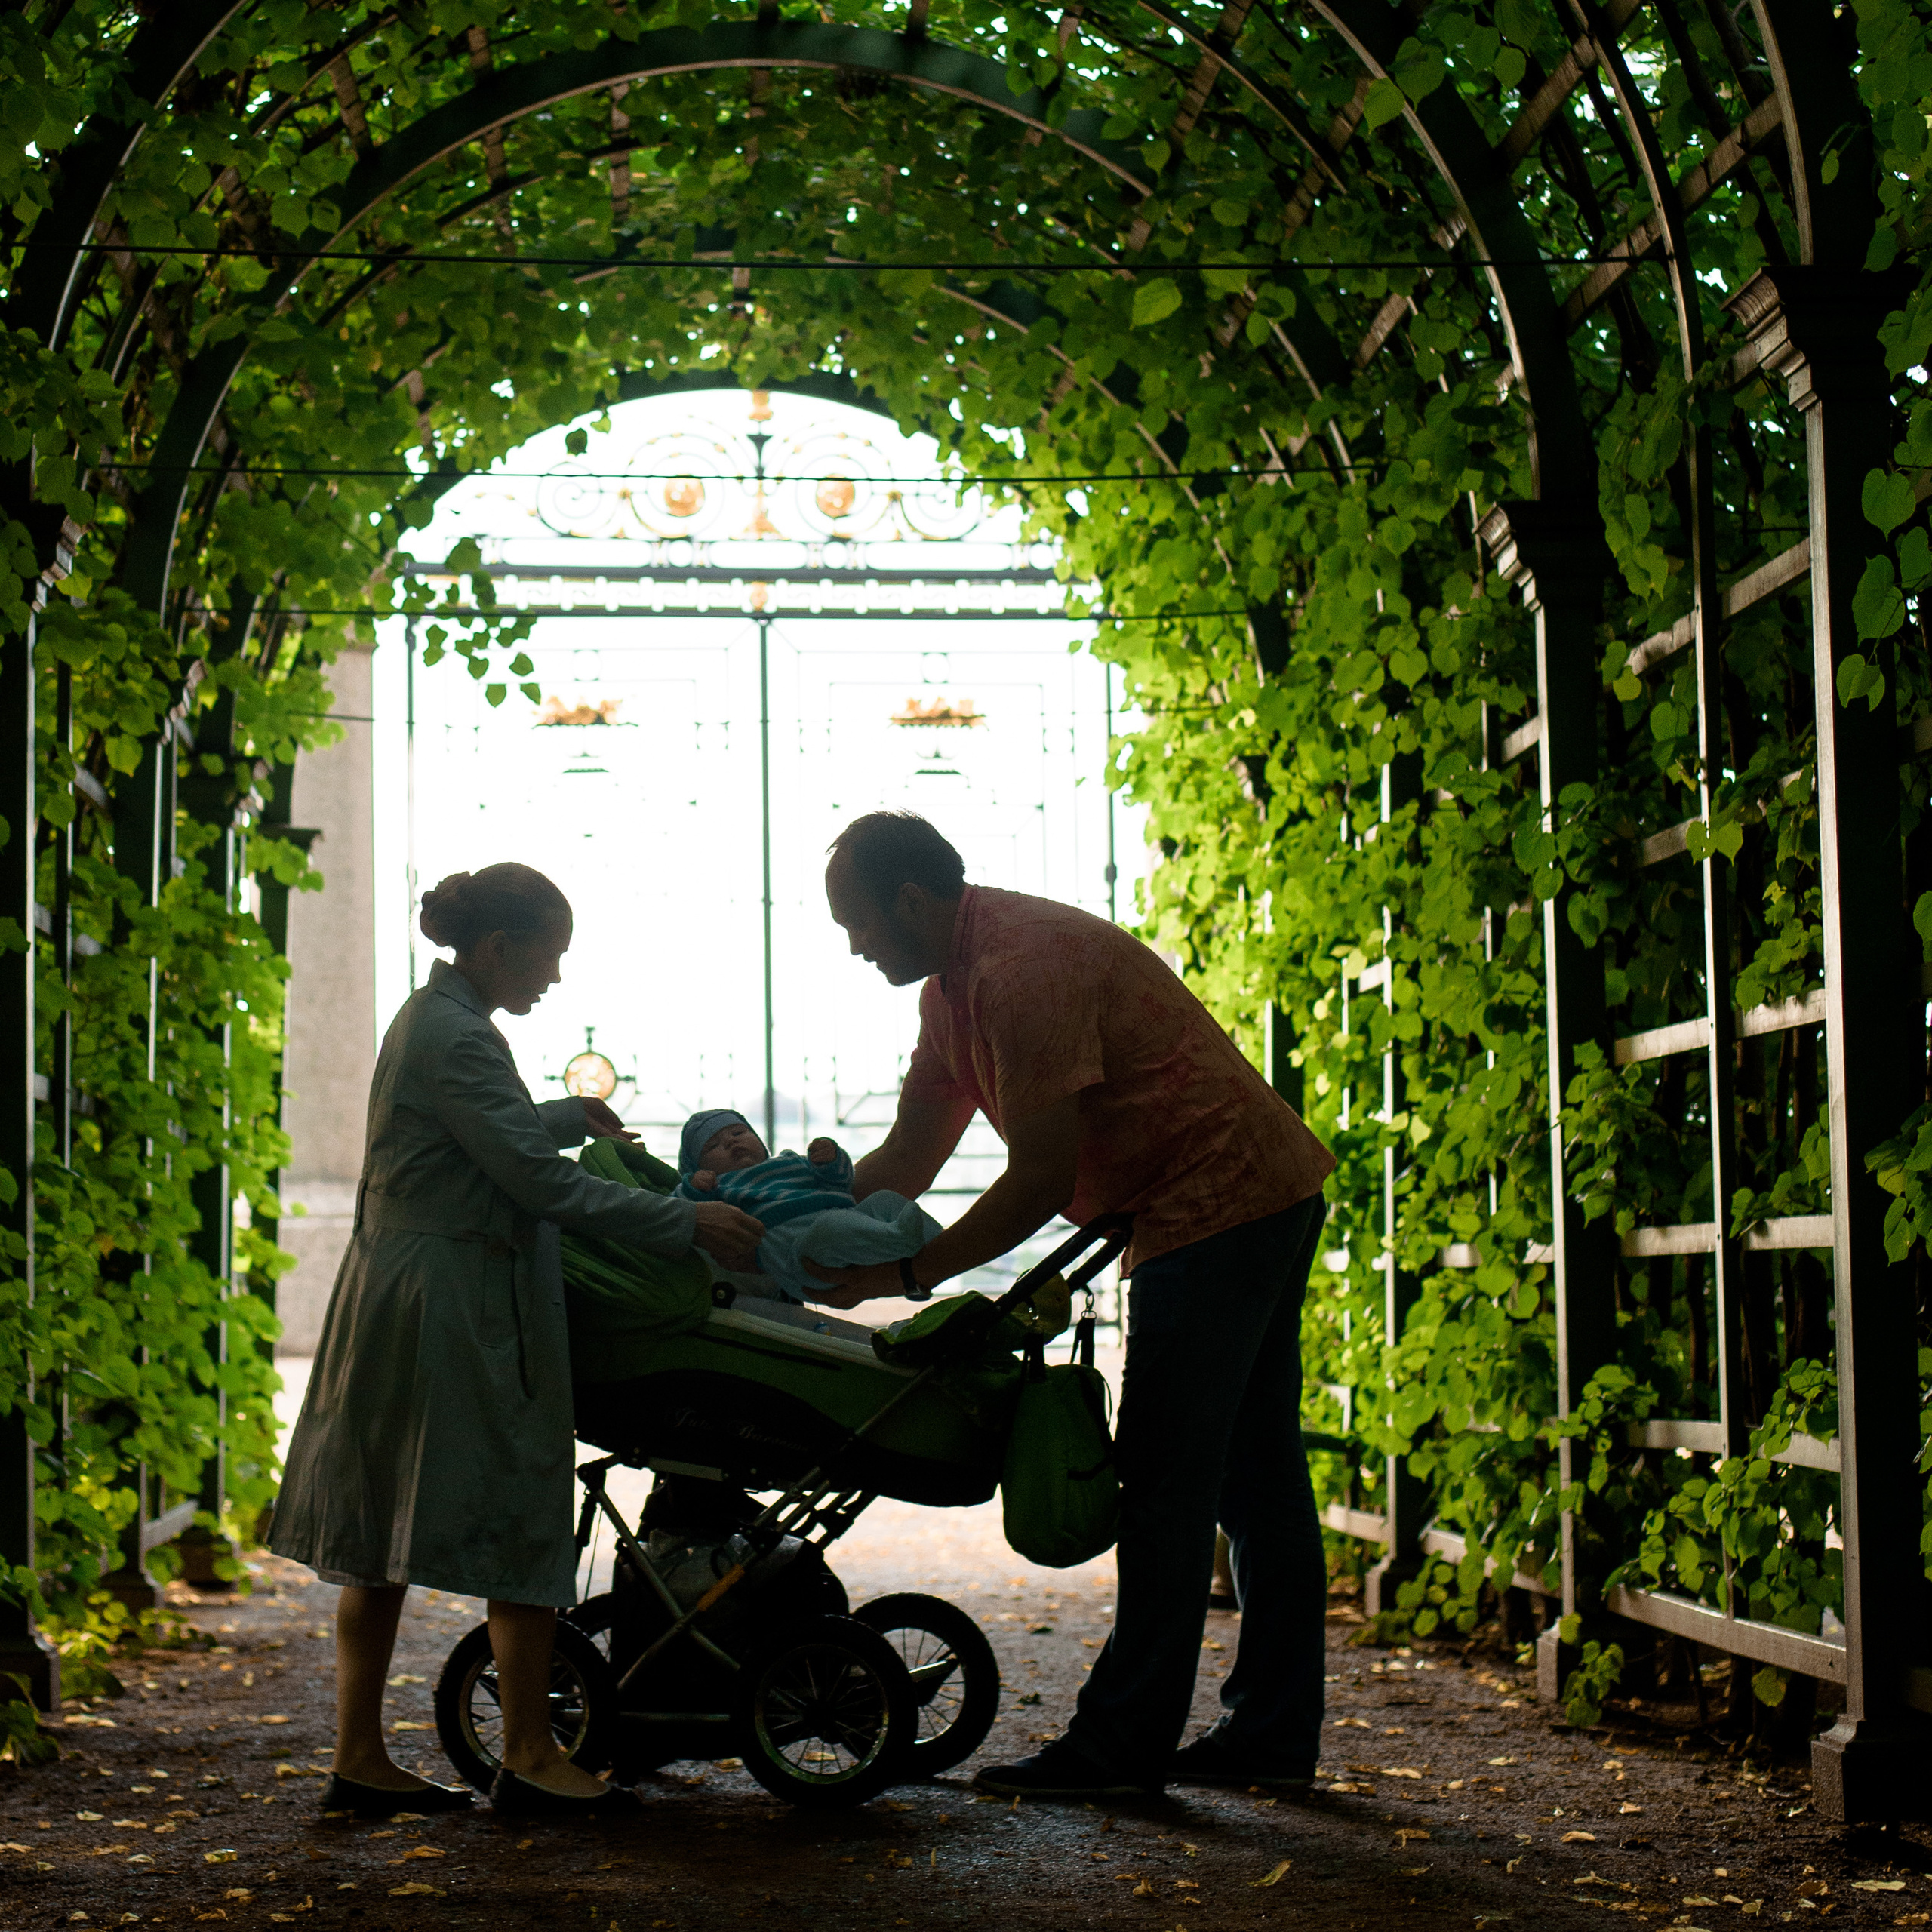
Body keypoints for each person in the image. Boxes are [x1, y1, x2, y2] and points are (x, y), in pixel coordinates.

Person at [811, 811, 1335, 1799]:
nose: (856, 945)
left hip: (1216, 1201)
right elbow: (908, 1163)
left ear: (910, 900)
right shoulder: (952, 993)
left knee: (1170, 1483)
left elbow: (1041, 1179)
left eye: (859, 924)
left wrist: (905, 1278)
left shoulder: (1017, 973)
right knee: (1254, 1480)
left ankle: (1118, 1751)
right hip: (1252, 1194)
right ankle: (1268, 1733)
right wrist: (790, 1225)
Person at [270, 864, 764, 1818]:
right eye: (548, 955)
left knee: (379, 1529)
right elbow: (537, 1185)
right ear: (499, 947)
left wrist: (558, 1117)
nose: (554, 977)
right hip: (452, 1299)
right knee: (526, 1502)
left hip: (409, 1289)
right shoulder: (459, 1034)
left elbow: (477, 1142)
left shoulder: (437, 1021)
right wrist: (684, 1224)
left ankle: (361, 1757)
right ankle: (531, 1751)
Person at [675, 1108, 942, 1302]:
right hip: (798, 1255)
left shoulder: (791, 1162)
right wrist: (693, 1185)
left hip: (844, 1217)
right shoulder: (721, 1187)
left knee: (884, 1200)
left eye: (738, 1132)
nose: (731, 1141)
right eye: (713, 1147)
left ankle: (936, 1243)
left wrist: (831, 1159)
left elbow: (840, 1183)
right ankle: (901, 1241)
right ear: (700, 1167)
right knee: (832, 1230)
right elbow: (688, 1214)